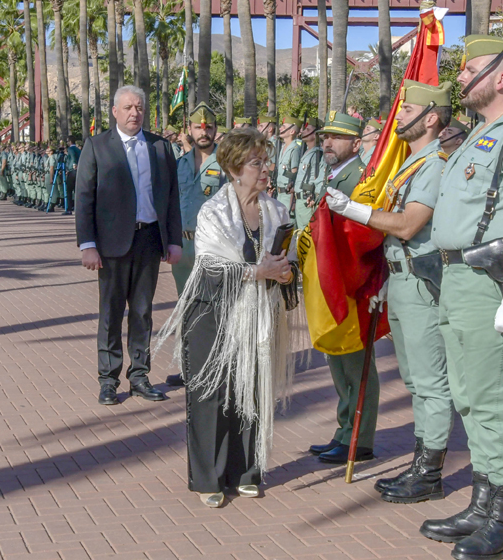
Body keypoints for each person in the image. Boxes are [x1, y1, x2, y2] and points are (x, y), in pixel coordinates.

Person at [420, 35, 503, 559]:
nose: (459, 77)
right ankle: (482, 503)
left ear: (502, 77)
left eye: (469, 68)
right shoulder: (483, 134)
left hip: (488, 281)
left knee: (495, 398)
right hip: (458, 279)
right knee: (471, 396)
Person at [155, 127, 299, 508]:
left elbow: (290, 260)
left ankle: (247, 471)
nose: (265, 169)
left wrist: (285, 272)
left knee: (251, 386)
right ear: (235, 169)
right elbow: (211, 269)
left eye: (266, 161)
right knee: (211, 395)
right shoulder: (213, 212)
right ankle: (209, 478)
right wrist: (258, 272)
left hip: (257, 316)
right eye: (257, 162)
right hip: (212, 314)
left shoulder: (277, 209)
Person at [328, 80, 455, 504]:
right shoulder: (412, 164)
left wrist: (354, 210)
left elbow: (407, 224)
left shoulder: (434, 164)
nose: (398, 117)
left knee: (429, 381)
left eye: (407, 110)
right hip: (400, 279)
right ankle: (421, 462)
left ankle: (429, 470)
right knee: (415, 381)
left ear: (431, 117)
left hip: (420, 283)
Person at [74, 85, 183, 406]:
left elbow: (172, 198)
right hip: (110, 245)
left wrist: (173, 240)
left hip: (149, 240)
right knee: (110, 314)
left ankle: (139, 376)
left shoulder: (160, 147)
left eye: (139, 107)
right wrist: (87, 245)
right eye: (128, 107)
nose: (135, 113)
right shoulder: (97, 147)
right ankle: (108, 380)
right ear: (115, 112)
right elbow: (84, 199)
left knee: (142, 313)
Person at [306, 109, 378, 465]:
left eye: (336, 137)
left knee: (355, 363)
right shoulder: (335, 173)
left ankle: (359, 440)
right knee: (339, 362)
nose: (328, 142)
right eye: (325, 137)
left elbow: (361, 236)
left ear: (355, 141)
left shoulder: (361, 179)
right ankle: (343, 431)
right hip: (332, 280)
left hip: (351, 283)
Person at [166, 103, 226, 389]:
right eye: (198, 127)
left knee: (213, 307)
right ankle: (189, 367)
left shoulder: (226, 163)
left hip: (211, 246)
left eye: (209, 127)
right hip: (183, 247)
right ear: (188, 130)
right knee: (186, 306)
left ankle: (213, 367)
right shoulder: (180, 163)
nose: (204, 132)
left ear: (215, 130)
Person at [294, 115, 323, 231]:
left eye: (307, 130)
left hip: (307, 201)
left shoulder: (317, 153)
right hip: (299, 201)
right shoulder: (307, 151)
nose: (303, 131)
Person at [274, 115, 303, 214]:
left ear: (292, 131)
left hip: (288, 195)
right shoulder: (283, 147)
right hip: (279, 194)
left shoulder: (294, 149)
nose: (280, 128)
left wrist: (292, 200)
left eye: (284, 127)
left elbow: (294, 174)